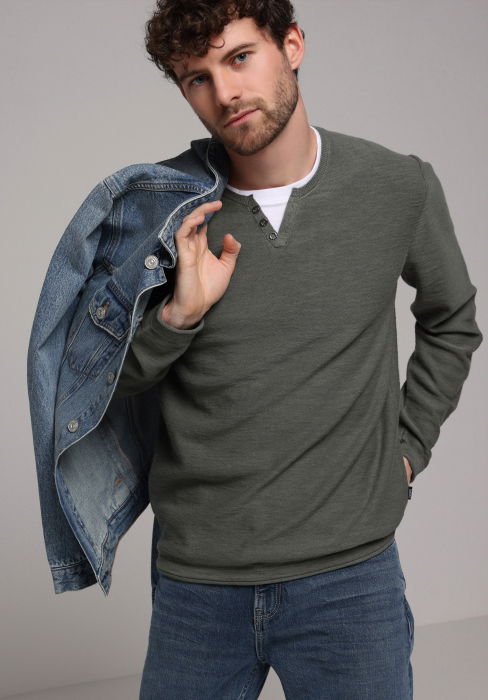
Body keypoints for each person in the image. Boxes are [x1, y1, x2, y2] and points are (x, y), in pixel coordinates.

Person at [111, 1, 483, 698]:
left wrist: (408, 448)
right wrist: (180, 316)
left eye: (239, 57)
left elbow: (451, 318)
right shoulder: (160, 209)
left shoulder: (398, 185)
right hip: (199, 583)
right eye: (197, 78)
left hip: (350, 581)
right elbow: (105, 382)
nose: (225, 93)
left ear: (292, 44)